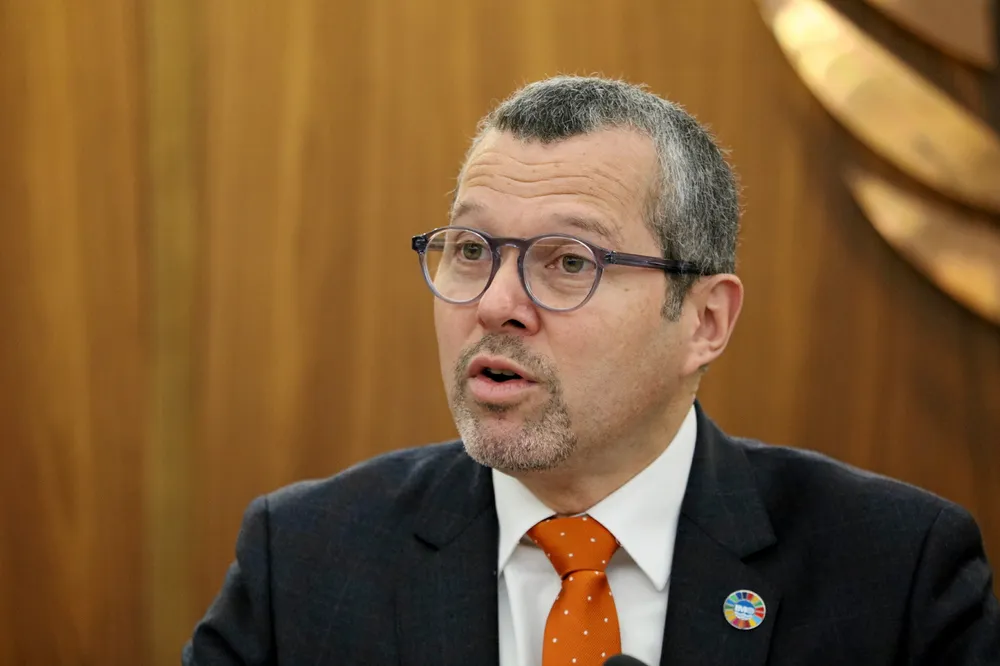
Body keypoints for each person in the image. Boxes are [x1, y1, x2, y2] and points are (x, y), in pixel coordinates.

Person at [182, 76, 999, 666]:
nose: (496, 304)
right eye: (471, 250)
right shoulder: (306, 559)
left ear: (705, 321)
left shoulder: (892, 572)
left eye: (569, 261)